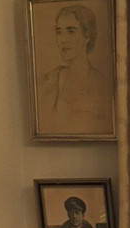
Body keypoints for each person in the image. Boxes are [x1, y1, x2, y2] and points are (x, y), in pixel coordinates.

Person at [38, 4, 112, 135]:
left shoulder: (102, 83)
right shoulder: (49, 80)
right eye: (59, 32)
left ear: (87, 36)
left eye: (71, 31)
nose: (63, 40)